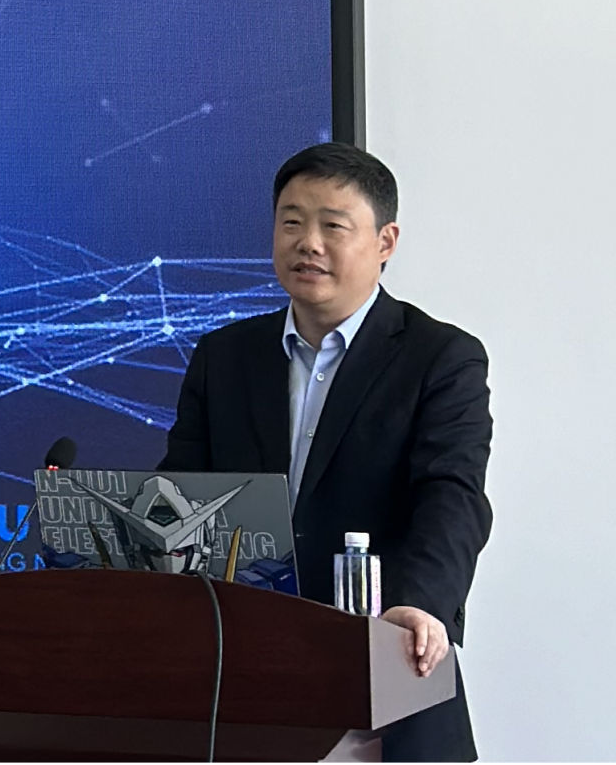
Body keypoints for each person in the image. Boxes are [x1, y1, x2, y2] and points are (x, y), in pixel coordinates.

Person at [161, 143, 493, 762]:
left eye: (332, 226)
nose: (307, 243)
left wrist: (417, 602)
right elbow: (181, 493)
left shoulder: (440, 359)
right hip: (236, 687)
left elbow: (452, 496)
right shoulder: (224, 357)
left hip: (380, 677)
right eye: (291, 222)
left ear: (385, 242)